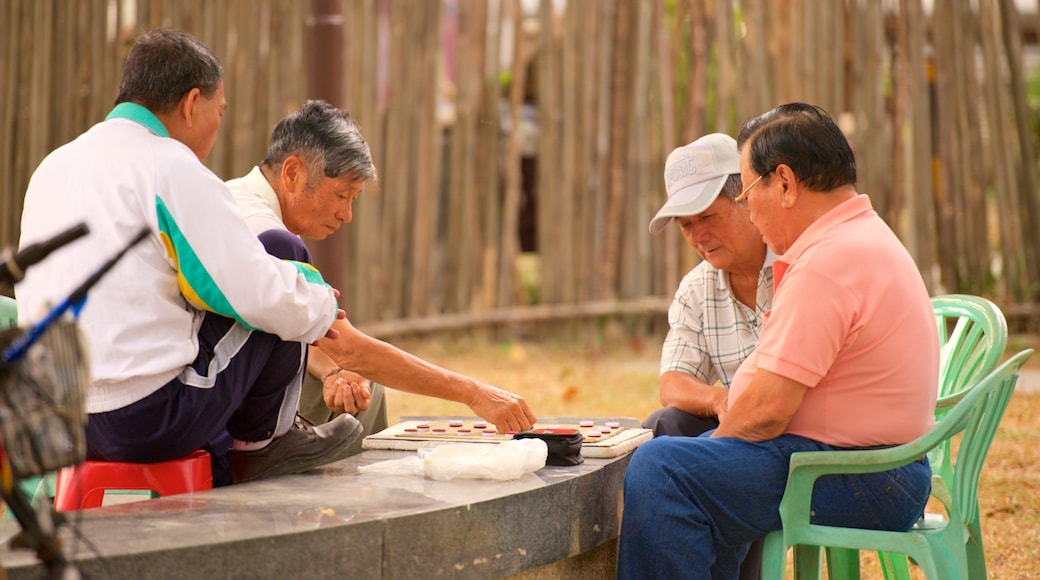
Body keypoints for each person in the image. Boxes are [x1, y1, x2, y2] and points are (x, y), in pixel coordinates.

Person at [15, 29, 363, 486]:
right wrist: (319, 303)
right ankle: (262, 447)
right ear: (191, 102)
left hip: (54, 416)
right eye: (218, 112)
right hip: (142, 419)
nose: (217, 128)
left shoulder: (54, 166)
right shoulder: (170, 166)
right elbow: (250, 290)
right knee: (285, 262)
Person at [617, 103, 939, 579]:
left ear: (784, 183)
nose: (749, 210)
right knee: (678, 450)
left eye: (747, 194)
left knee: (661, 469)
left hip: (860, 476)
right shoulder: (855, 239)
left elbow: (766, 410)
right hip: (872, 470)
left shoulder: (827, 262)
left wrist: (713, 450)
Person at [225, 100, 538, 456]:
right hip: (213, 411)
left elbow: (288, 334)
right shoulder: (268, 234)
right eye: (342, 196)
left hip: (215, 385)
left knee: (359, 387)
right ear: (293, 173)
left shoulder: (237, 199)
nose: (346, 214)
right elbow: (348, 348)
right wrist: (475, 393)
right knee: (364, 384)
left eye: (353, 199)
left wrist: (332, 372)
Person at [642, 133, 775, 580]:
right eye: (685, 225)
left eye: (708, 217)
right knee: (665, 426)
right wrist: (720, 402)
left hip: (799, 434)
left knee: (688, 459)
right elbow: (672, 382)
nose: (698, 236)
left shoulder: (798, 266)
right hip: (742, 431)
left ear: (746, 200)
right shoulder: (698, 288)